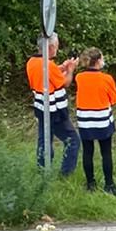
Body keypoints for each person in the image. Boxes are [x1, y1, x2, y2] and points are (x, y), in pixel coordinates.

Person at [25, 35, 78, 176]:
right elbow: (65, 82)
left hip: (40, 106)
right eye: (57, 45)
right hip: (55, 109)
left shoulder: (32, 62)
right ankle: (66, 174)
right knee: (72, 140)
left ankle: (42, 171)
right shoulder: (48, 65)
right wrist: (71, 69)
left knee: (44, 140)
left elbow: (48, 75)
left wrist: (61, 67)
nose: (58, 48)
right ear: (51, 47)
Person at [74, 48, 116, 195]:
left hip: (85, 119)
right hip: (102, 119)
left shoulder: (79, 77)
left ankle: (90, 184)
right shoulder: (106, 78)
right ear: (98, 60)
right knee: (106, 153)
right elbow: (114, 99)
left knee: (87, 152)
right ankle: (109, 185)